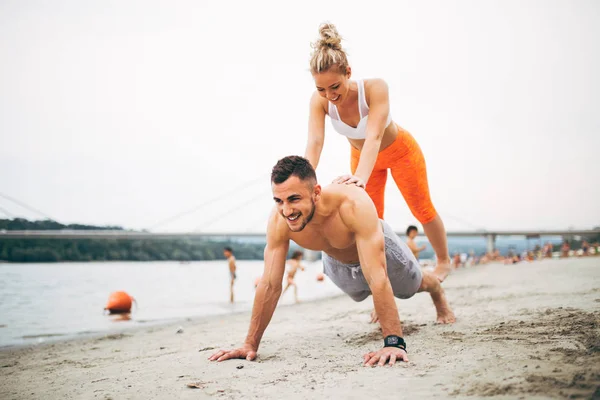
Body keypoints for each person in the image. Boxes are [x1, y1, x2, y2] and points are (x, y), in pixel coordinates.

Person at [209, 156, 455, 367]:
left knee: (412, 287)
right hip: (337, 260)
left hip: (376, 249)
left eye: (294, 199)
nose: (286, 210)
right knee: (361, 293)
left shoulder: (352, 205)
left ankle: (437, 293)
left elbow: (377, 275)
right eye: (278, 201)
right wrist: (249, 344)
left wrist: (394, 343)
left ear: (316, 193)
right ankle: (380, 305)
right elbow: (271, 284)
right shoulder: (279, 220)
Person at [304, 23, 451, 282]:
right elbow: (315, 142)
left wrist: (359, 178)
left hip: (400, 151)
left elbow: (373, 136)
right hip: (360, 156)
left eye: (335, 86)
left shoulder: (375, 89)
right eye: (321, 89)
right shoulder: (320, 102)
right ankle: (381, 284)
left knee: (422, 209)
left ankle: (443, 261)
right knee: (372, 220)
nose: (329, 95)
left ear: (348, 72)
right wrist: (305, 180)